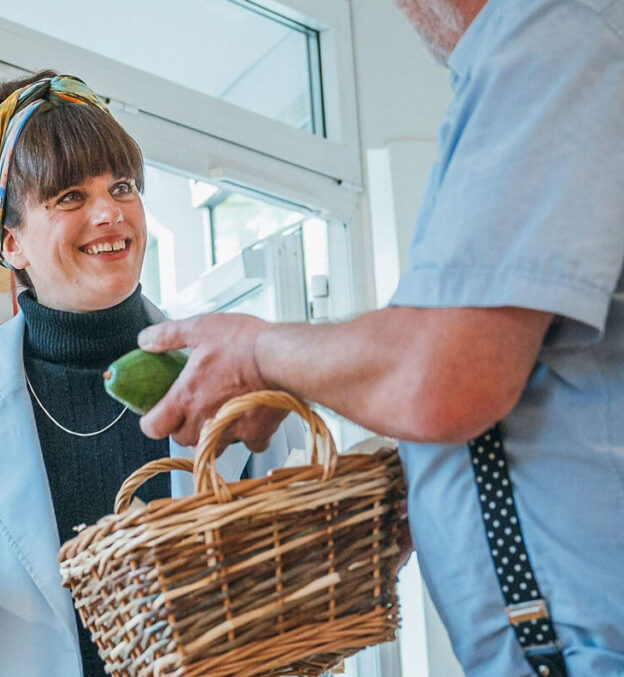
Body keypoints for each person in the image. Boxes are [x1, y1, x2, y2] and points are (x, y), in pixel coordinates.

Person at [137, 1, 624, 675]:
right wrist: (426, 482)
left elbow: (445, 374)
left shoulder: (552, 30)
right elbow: (537, 370)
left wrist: (259, 354)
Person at [0, 71, 300, 677]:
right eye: (71, 197)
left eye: (123, 186)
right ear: (12, 243)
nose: (111, 213)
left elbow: (304, 577)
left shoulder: (226, 373)